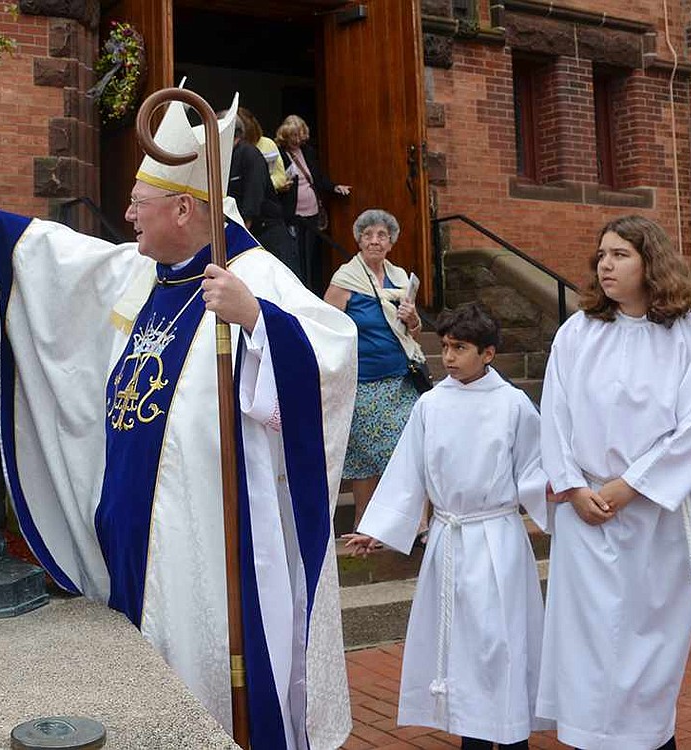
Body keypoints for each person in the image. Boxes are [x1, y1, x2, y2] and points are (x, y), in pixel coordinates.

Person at [0, 90, 357, 750]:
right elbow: (53, 255)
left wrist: (260, 320)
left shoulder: (252, 274)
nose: (125, 216)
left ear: (184, 207)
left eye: (138, 206)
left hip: (206, 541)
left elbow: (334, 355)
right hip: (133, 534)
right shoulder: (146, 271)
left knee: (206, 683)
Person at [538, 215, 691, 750]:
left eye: (620, 254)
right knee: (589, 648)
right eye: (601, 254)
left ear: (652, 263)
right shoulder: (578, 332)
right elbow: (553, 415)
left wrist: (634, 485)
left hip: (658, 517)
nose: (605, 264)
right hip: (587, 514)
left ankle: (650, 740)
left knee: (647, 649)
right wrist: (573, 486)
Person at [343, 302, 552, 749]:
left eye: (461, 348)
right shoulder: (431, 405)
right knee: (460, 645)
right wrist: (378, 529)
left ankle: (512, 734)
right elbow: (407, 473)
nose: (450, 357)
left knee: (502, 641)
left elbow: (534, 472)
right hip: (450, 540)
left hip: (497, 539)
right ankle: (473, 737)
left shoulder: (514, 405)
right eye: (445, 347)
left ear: (489, 353)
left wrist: (567, 497)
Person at [324, 209, 425, 530]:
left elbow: (414, 330)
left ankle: (413, 525)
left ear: (391, 242)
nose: (374, 241)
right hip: (364, 382)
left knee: (411, 451)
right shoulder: (346, 279)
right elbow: (326, 325)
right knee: (366, 459)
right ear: (359, 240)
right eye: (368, 235)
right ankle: (364, 527)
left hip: (400, 380)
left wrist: (411, 318)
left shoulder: (400, 279)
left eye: (381, 235)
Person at [275, 114, 351, 294]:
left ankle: (312, 289)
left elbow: (317, 177)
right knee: (296, 255)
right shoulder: (279, 153)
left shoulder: (307, 151)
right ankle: (299, 291)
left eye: (299, 135)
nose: (296, 140)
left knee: (311, 255)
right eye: (292, 136)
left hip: (312, 211)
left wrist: (334, 187)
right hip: (293, 214)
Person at [227, 111, 296, 273]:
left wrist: (241, 239)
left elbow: (253, 197)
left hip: (265, 233)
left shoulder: (249, 154)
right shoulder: (228, 156)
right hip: (245, 232)